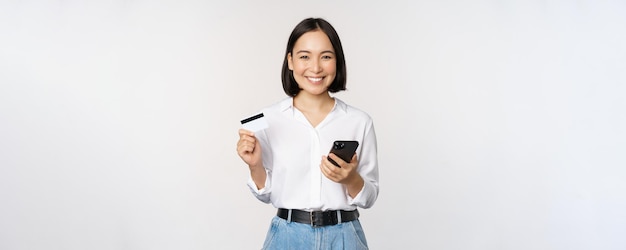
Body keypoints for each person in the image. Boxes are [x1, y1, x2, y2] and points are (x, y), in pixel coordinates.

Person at [236, 17, 379, 250]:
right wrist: (255, 165)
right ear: (290, 61)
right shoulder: (267, 119)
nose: (315, 67)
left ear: (337, 62)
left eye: (326, 56)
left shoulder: (359, 121)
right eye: (304, 56)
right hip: (287, 237)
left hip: (344, 237)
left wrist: (350, 178)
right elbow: (265, 194)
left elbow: (370, 196)